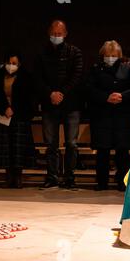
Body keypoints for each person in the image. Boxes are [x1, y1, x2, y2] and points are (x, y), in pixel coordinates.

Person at [35, 20, 83, 190]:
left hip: (70, 103)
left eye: (59, 34)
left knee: (71, 143)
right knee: (50, 144)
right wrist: (51, 94)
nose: (56, 36)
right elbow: (38, 78)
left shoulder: (74, 52)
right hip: (49, 103)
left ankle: (70, 177)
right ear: (49, 33)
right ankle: (52, 177)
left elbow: (76, 76)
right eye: (54, 34)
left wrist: (61, 93)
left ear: (65, 34)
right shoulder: (41, 53)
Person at [87, 40, 130, 191]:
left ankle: (122, 182)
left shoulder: (125, 69)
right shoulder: (96, 70)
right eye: (108, 55)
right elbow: (89, 89)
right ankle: (101, 182)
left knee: (122, 151)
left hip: (122, 116)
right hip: (102, 116)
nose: (111, 58)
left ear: (119, 55)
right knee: (102, 151)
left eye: (114, 55)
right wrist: (106, 97)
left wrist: (122, 96)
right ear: (103, 55)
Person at [0, 52, 37, 188]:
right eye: (9, 63)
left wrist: (14, 108)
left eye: (14, 63)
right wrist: (4, 107)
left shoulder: (26, 77)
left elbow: (29, 97)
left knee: (18, 148)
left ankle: (18, 177)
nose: (11, 66)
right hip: (3, 115)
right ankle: (8, 176)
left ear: (19, 64)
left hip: (20, 116)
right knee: (5, 147)